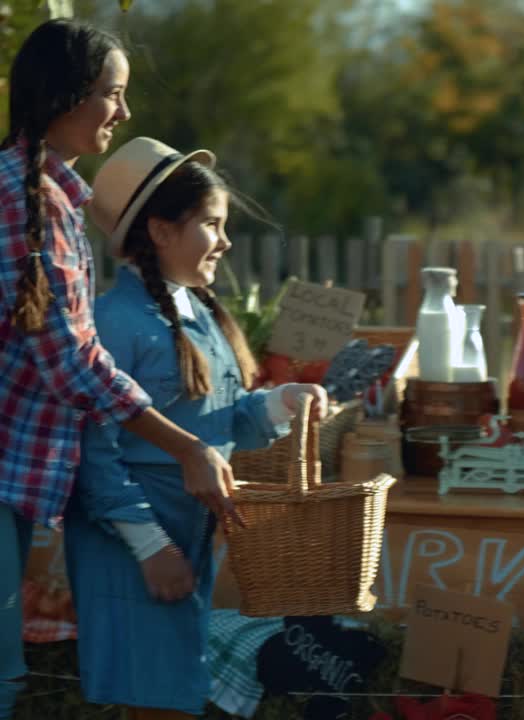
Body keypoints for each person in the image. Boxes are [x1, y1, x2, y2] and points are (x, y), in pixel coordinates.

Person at [0, 21, 238, 718]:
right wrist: (186, 447)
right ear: (67, 94)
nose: (124, 112)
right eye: (113, 93)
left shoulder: (54, 199)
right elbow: (72, 364)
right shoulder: (21, 199)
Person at [63, 137, 327, 720]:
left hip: (188, 535)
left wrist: (283, 402)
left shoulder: (200, 313)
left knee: (175, 696)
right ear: (160, 231)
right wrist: (152, 547)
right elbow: (96, 453)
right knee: (156, 703)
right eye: (211, 224)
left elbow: (225, 422)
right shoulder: (115, 321)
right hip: (135, 546)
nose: (226, 241)